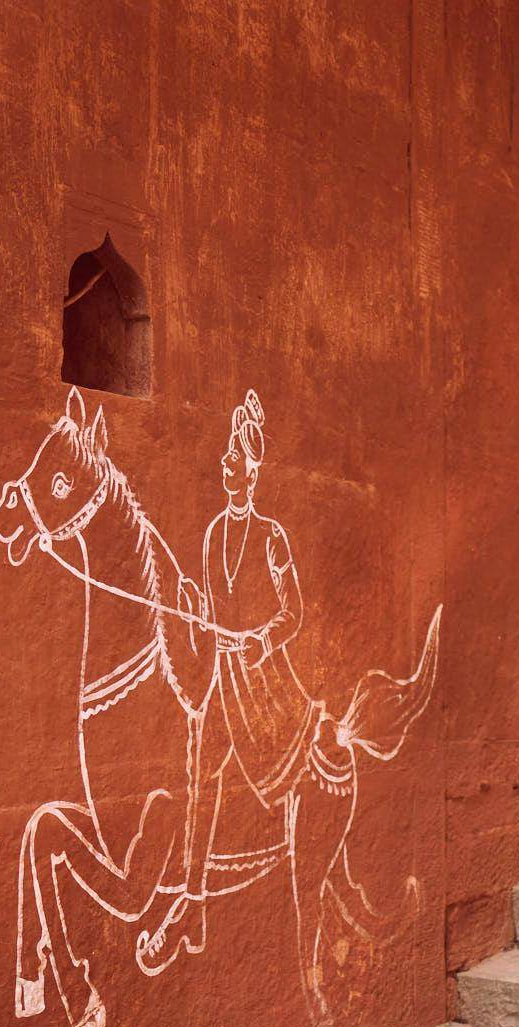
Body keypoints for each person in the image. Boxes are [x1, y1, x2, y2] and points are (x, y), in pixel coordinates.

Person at [137, 389, 317, 973]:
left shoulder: (271, 537)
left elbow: (294, 613)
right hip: (223, 683)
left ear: (251, 471)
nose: (223, 463)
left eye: (232, 457)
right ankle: (192, 906)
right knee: (200, 776)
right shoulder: (213, 533)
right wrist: (195, 612)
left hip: (264, 685)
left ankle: (294, 876)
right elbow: (212, 613)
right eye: (224, 456)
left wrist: (259, 639)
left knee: (287, 781)